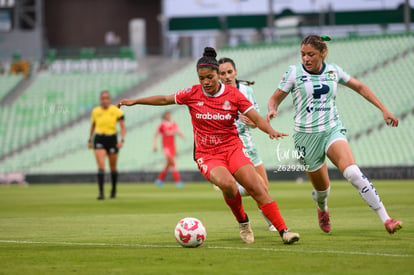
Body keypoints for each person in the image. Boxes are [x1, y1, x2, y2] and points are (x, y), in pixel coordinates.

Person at [118, 47, 300, 245]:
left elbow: (255, 118)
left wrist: (270, 130)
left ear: (217, 75)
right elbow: (164, 99)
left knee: (257, 186)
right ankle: (243, 222)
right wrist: (135, 101)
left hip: (232, 148)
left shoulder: (234, 95)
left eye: (210, 77)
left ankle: (284, 231)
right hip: (208, 154)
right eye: (201, 78)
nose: (205, 82)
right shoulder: (192, 93)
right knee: (229, 185)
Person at [267, 35, 402, 234]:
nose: (306, 58)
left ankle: (386, 219)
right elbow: (274, 98)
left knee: (353, 173)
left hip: (332, 129)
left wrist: (384, 109)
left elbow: (360, 87)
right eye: (303, 54)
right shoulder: (293, 73)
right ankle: (322, 208)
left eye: (311, 54)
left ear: (323, 53)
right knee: (322, 190)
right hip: (306, 137)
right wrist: (272, 109)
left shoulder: (334, 71)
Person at [218, 57, 275, 232]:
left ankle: (233, 190)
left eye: (229, 72)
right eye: (222, 73)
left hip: (249, 145)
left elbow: (255, 117)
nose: (227, 76)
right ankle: (272, 222)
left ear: (236, 72)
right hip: (232, 146)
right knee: (258, 186)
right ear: (218, 76)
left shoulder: (246, 91)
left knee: (263, 187)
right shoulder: (217, 94)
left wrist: (253, 123)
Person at [88, 91, 126, 200]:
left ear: (109, 99)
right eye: (103, 98)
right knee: (101, 165)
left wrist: (122, 140)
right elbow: (93, 126)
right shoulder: (95, 111)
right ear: (100, 100)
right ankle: (101, 193)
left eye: (107, 98)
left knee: (113, 167)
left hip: (112, 139)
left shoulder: (116, 111)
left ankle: (113, 190)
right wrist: (90, 140)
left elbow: (123, 127)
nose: (105, 100)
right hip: (99, 138)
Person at [153, 111, 185, 188]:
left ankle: (159, 180)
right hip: (166, 147)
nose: (169, 116)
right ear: (164, 116)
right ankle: (178, 181)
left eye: (169, 115)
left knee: (169, 164)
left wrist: (182, 136)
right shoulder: (162, 125)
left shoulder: (174, 124)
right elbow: (155, 135)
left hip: (173, 146)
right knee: (172, 162)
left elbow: (178, 131)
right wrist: (155, 145)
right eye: (167, 115)